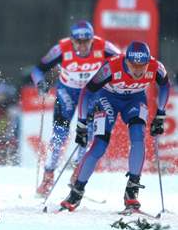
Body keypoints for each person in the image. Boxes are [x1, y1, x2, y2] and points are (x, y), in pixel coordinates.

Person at [60, 41, 170, 211]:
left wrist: (161, 114)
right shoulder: (111, 67)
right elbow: (87, 91)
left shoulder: (156, 67)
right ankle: (76, 191)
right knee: (100, 145)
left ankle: (132, 190)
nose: (138, 70)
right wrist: (82, 122)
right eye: (134, 65)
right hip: (108, 99)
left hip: (135, 100)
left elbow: (165, 86)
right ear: (126, 61)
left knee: (138, 136)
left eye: (142, 65)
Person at [31, 20, 120, 197]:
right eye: (77, 41)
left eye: (86, 41)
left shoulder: (104, 47)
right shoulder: (61, 49)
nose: (82, 45)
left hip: (92, 93)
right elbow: (37, 70)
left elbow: (122, 63)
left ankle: (77, 177)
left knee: (86, 135)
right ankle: (48, 177)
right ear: (71, 40)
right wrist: (40, 84)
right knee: (59, 135)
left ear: (92, 39)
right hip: (67, 92)